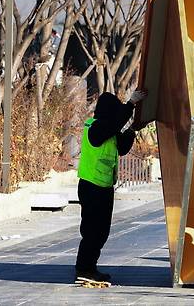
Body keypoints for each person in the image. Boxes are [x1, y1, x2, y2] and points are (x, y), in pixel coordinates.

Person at [74, 89, 147, 283]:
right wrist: (131, 103)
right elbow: (114, 124)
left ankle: (89, 268)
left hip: (104, 187)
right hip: (91, 187)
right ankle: (84, 269)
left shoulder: (109, 130)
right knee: (92, 232)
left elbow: (122, 147)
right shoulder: (95, 128)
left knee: (101, 232)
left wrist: (132, 130)